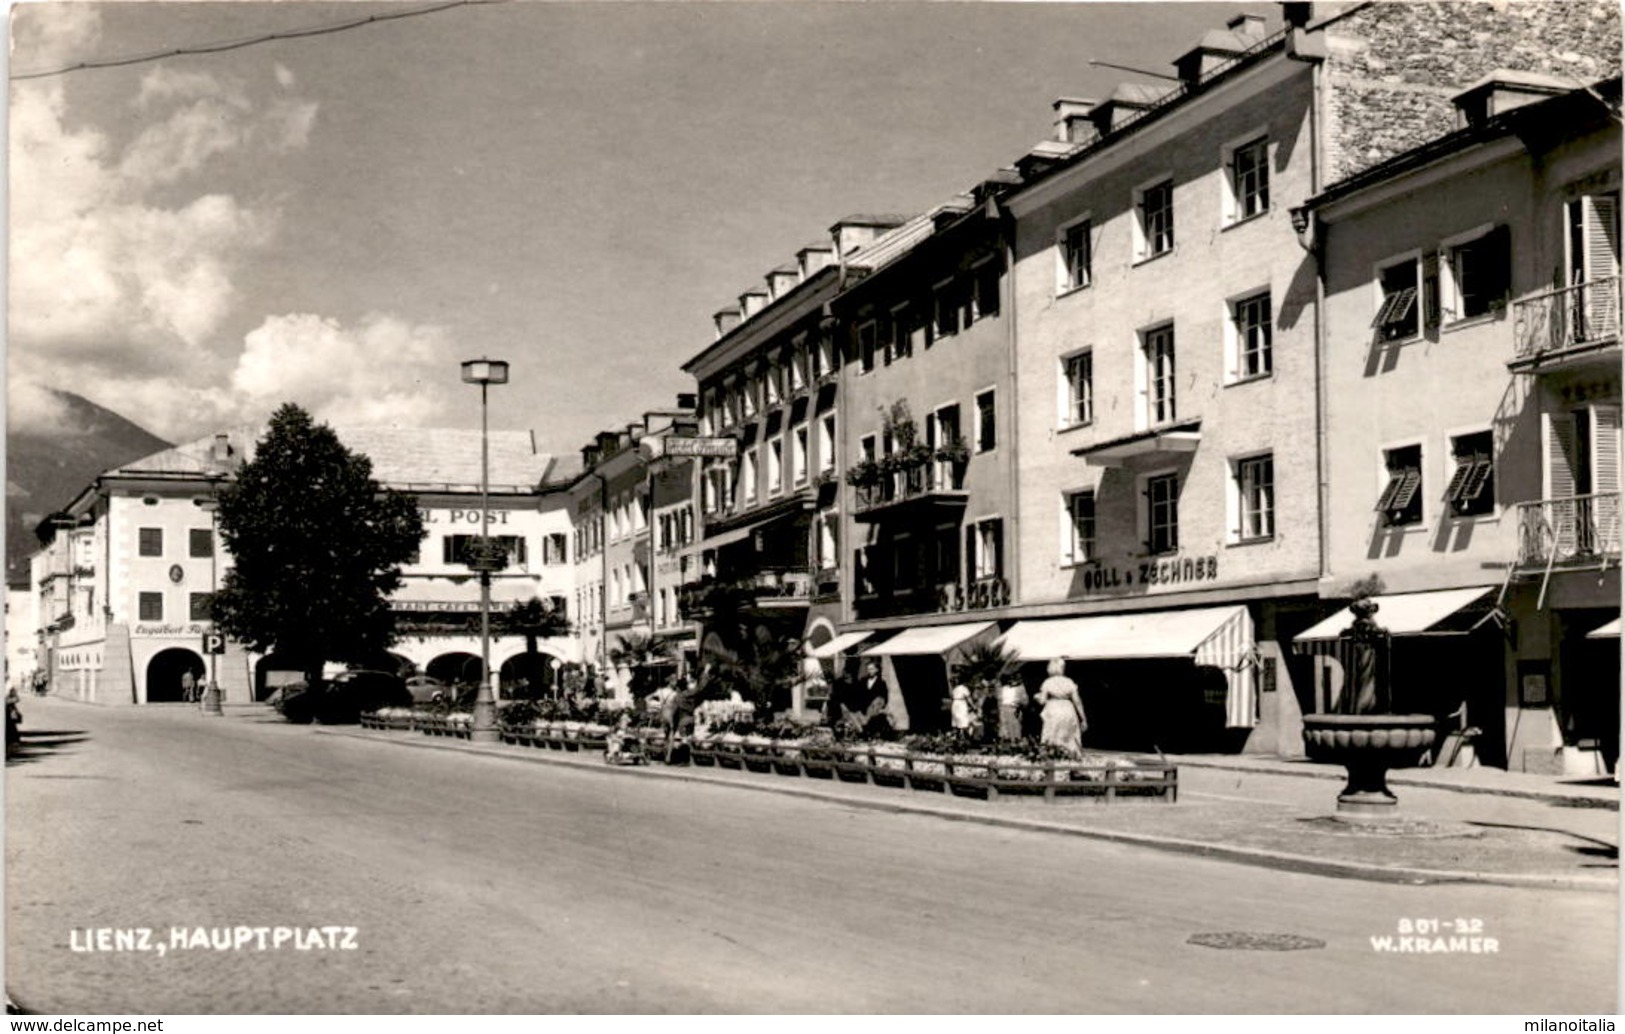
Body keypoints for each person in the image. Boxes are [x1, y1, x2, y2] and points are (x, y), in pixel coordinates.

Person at [1035, 659, 1085, 757]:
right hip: (1068, 708)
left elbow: (1042, 701)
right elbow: (1077, 701)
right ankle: (1071, 757)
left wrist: (1036, 697)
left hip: (1053, 708)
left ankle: (1052, 756)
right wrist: (1083, 718)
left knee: (1052, 734)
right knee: (1069, 735)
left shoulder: (1047, 682)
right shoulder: (1069, 681)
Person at [997, 672, 1027, 742]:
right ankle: (1009, 741)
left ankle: (1013, 741)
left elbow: (1024, 701)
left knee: (1012, 725)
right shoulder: (1003, 689)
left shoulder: (1018, 688)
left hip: (1011, 708)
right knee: (1007, 726)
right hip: (1007, 708)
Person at [948, 669, 974, 735]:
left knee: (960, 718)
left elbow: (968, 698)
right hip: (959, 704)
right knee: (960, 718)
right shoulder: (960, 688)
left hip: (957, 703)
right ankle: (961, 734)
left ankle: (961, 733)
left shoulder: (958, 689)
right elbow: (969, 698)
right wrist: (973, 706)